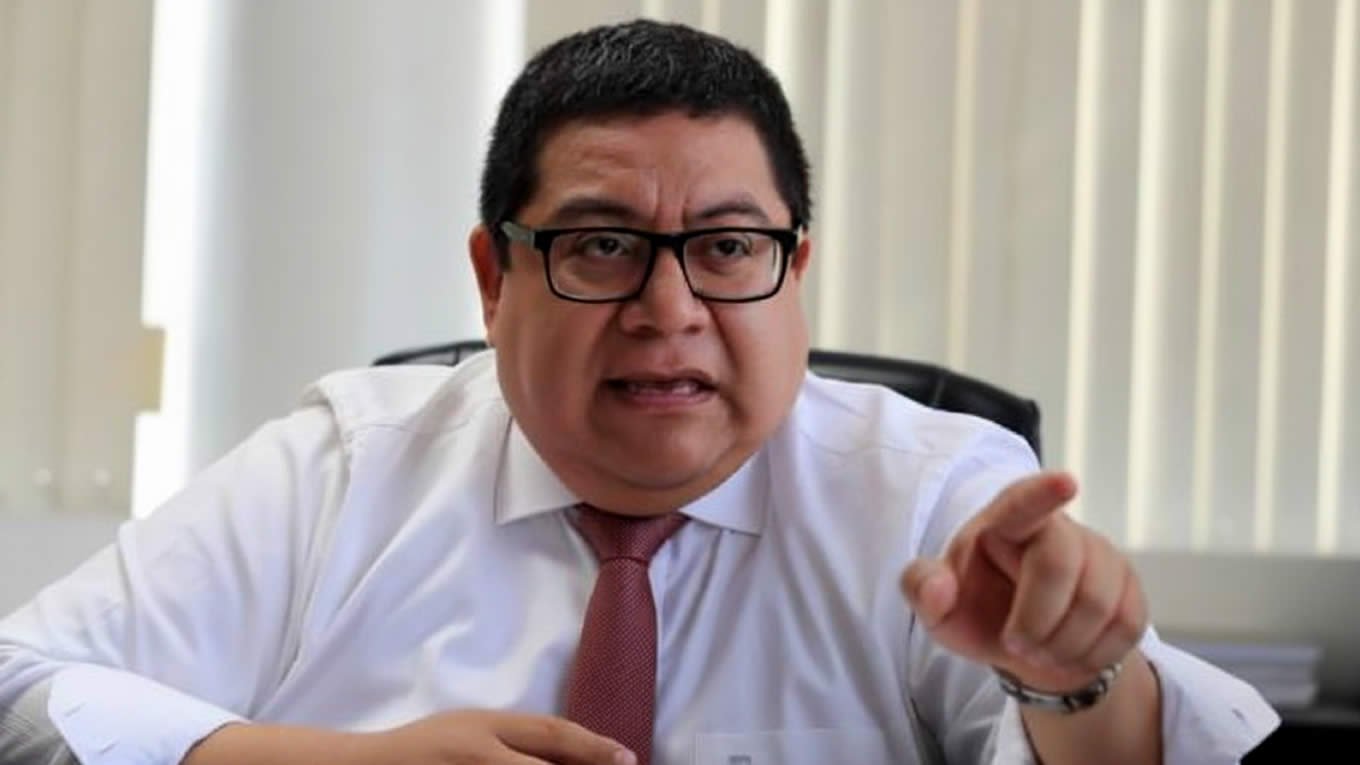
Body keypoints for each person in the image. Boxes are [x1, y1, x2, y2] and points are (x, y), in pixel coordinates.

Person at [0, 19, 1276, 765]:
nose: (669, 311)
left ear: (793, 273)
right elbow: (19, 686)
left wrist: (1075, 682)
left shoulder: (931, 493)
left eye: (726, 247)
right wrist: (306, 761)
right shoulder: (342, 470)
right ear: (494, 278)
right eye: (603, 245)